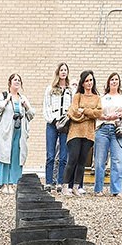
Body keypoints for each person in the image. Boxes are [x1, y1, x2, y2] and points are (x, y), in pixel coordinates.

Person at [63, 70, 101, 196]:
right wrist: (89, 114)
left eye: (91, 80)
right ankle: (65, 186)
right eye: (86, 81)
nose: (89, 83)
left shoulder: (97, 98)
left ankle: (76, 186)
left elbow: (99, 113)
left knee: (82, 161)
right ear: (82, 83)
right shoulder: (77, 96)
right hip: (75, 132)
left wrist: (84, 110)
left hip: (89, 133)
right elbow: (73, 113)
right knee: (72, 159)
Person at [0, 74, 34, 188]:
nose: (17, 82)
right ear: (10, 82)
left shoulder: (22, 98)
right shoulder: (3, 96)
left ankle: (14, 182)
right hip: (6, 132)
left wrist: (26, 106)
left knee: (16, 155)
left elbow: (31, 115)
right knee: (5, 154)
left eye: (19, 80)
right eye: (15, 80)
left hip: (19, 132)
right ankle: (4, 183)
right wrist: (5, 102)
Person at [93, 73, 122, 196]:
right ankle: (98, 189)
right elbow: (97, 113)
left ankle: (116, 190)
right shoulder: (102, 97)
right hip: (102, 129)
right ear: (108, 82)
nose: (114, 82)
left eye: (116, 79)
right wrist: (105, 117)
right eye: (112, 79)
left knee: (117, 160)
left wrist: (117, 115)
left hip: (117, 130)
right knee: (99, 160)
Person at [43, 63, 72, 193]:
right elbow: (46, 106)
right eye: (61, 70)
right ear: (58, 72)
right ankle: (49, 182)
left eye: (65, 70)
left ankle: (60, 182)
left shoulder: (70, 90)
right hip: (52, 123)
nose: (63, 72)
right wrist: (53, 119)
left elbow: (72, 107)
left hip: (65, 124)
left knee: (63, 156)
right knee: (50, 154)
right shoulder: (50, 89)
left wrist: (67, 119)